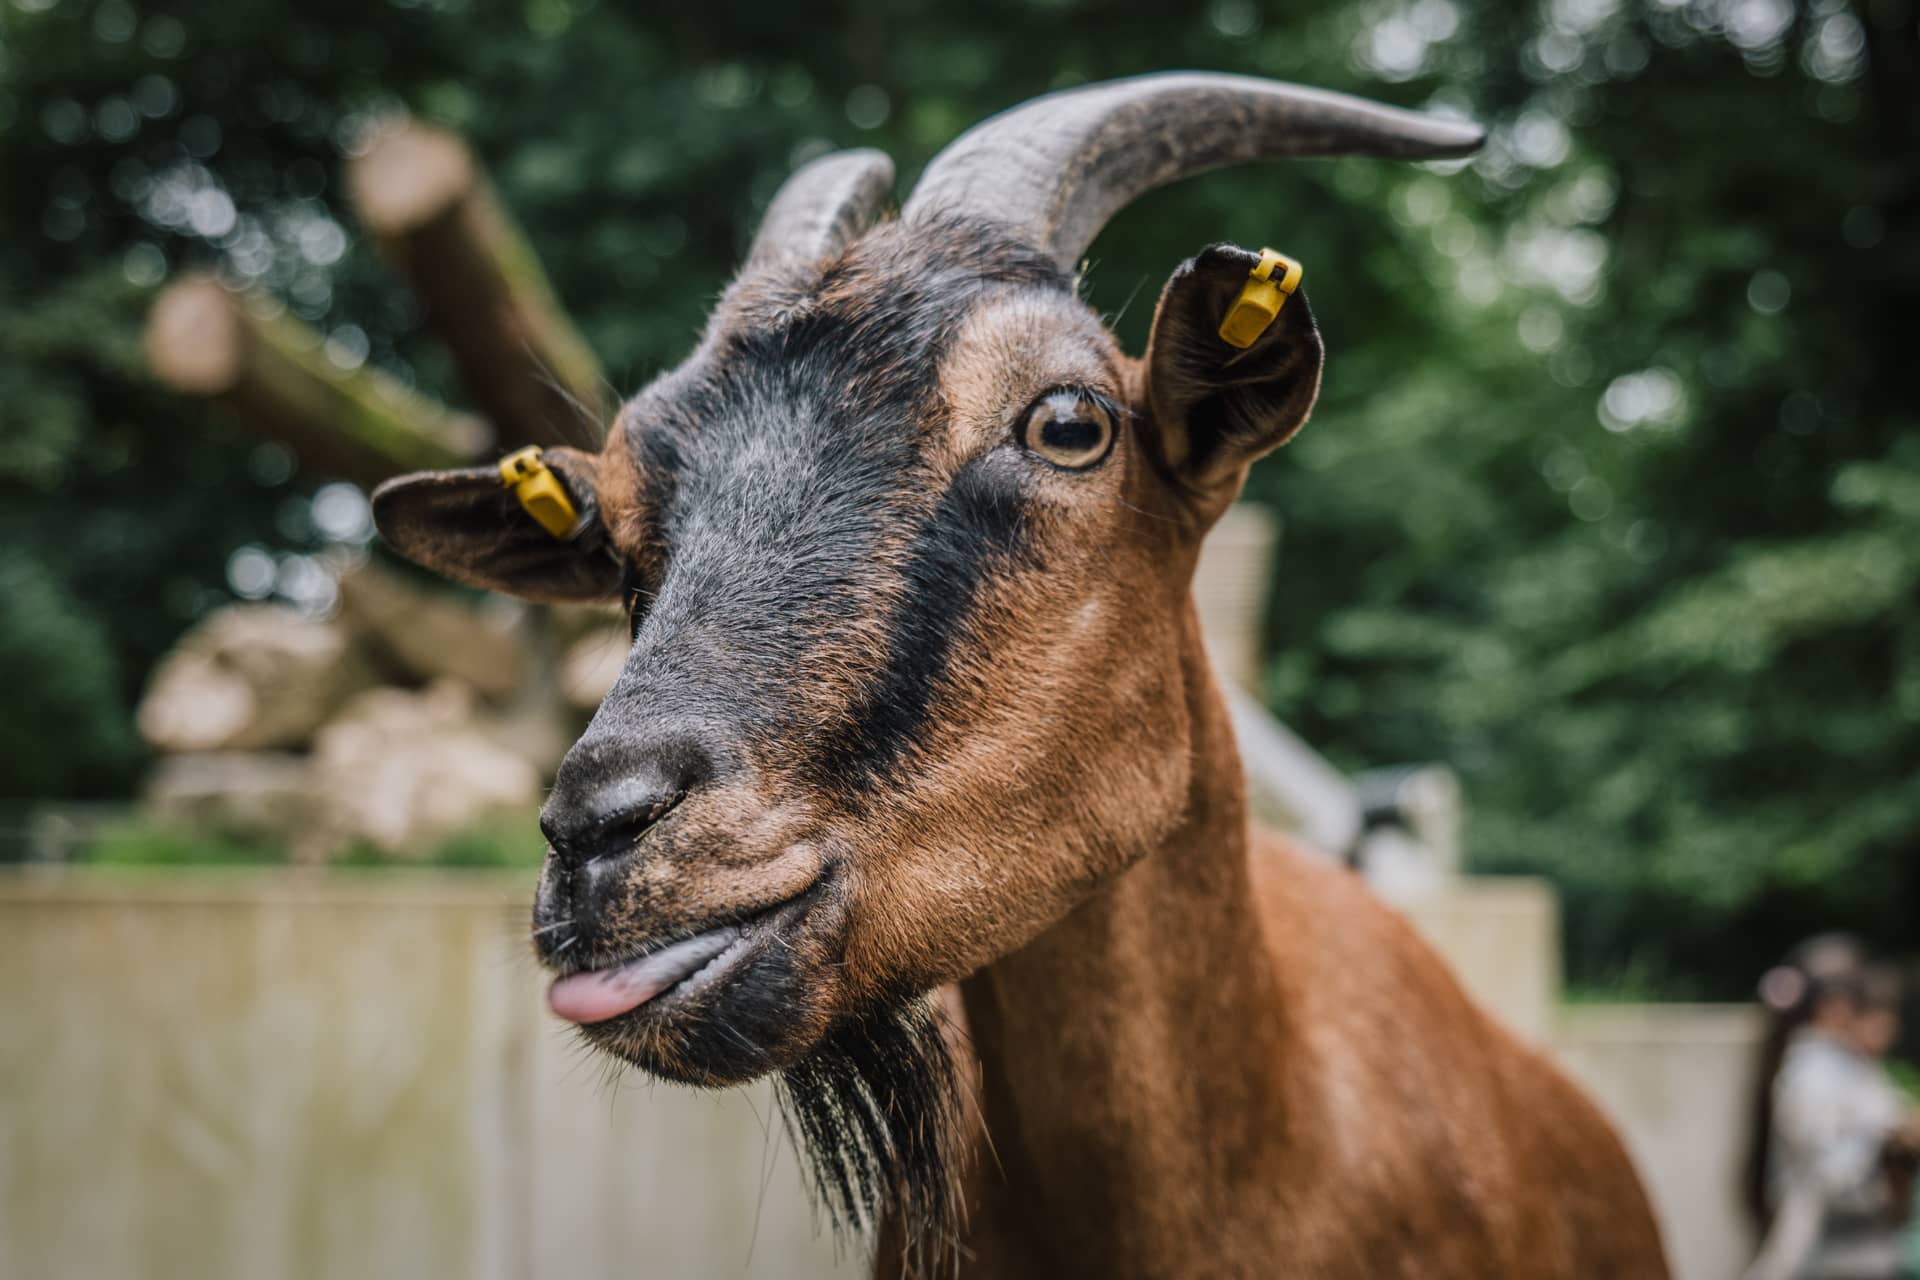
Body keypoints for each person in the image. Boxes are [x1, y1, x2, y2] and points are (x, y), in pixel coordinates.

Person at [1743, 944, 1919, 1280]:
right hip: (1824, 1258)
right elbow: (1834, 1177)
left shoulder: (1849, 1069)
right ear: (1834, 1008)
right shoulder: (1812, 1077)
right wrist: (1886, 1142)